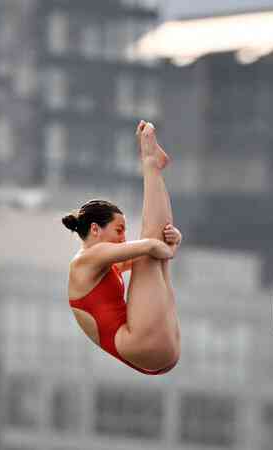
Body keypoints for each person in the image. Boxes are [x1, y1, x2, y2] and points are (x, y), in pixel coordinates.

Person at [62, 121, 182, 375]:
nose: (123, 238)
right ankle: (150, 163)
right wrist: (168, 249)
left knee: (151, 255)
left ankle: (153, 165)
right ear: (95, 229)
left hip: (155, 350)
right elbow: (151, 245)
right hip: (143, 344)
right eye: (118, 230)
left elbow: (152, 248)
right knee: (151, 249)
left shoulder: (104, 265)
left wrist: (172, 241)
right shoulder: (86, 259)